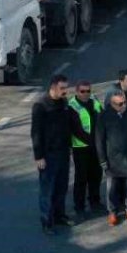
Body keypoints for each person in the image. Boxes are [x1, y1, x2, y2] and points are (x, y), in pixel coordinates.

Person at [32, 74, 78, 234]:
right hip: (48, 155)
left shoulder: (63, 102)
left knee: (61, 187)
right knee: (47, 189)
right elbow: (36, 133)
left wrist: (70, 146)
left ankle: (60, 216)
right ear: (53, 87)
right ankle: (47, 221)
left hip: (63, 152)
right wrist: (39, 156)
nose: (66, 91)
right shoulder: (41, 106)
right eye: (62, 88)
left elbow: (67, 127)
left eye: (66, 88)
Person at [97, 89, 127, 226]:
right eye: (119, 104)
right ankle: (112, 212)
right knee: (111, 187)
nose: (123, 106)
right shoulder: (104, 116)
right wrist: (102, 160)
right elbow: (99, 139)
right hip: (112, 159)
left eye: (124, 102)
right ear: (112, 104)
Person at [69, 80, 103, 222]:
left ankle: (95, 202)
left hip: (96, 146)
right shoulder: (72, 106)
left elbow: (101, 117)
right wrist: (93, 142)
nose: (85, 94)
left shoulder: (94, 101)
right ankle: (79, 207)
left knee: (96, 176)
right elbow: (76, 130)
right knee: (81, 179)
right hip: (81, 148)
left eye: (88, 91)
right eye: (82, 91)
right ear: (77, 91)